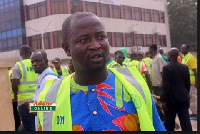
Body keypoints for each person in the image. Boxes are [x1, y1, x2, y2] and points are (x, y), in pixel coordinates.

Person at [37, 12, 165, 131]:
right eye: (84, 40)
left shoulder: (135, 86)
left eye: (100, 37)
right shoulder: (48, 98)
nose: (96, 45)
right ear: (67, 48)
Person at [161, 48, 192, 131]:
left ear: (170, 56)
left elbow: (166, 86)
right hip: (183, 99)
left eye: (167, 54)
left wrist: (164, 101)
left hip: (171, 101)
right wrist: (186, 95)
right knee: (186, 122)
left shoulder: (167, 68)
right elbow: (187, 84)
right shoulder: (184, 67)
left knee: (169, 123)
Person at [31, 49, 59, 130]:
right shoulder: (42, 77)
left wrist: (32, 107)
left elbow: (53, 106)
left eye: (38, 61)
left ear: (46, 61)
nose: (35, 64)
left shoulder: (49, 79)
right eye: (32, 62)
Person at [12, 45, 38, 131]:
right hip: (38, 102)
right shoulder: (36, 64)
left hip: (25, 103)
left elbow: (14, 84)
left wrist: (15, 96)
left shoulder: (18, 66)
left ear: (20, 54)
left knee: (29, 128)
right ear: (31, 53)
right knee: (38, 125)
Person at [181, 44, 197, 120]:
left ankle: (196, 114)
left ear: (187, 49)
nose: (182, 49)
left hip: (192, 82)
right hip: (187, 82)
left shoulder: (190, 58)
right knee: (190, 98)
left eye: (183, 48)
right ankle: (193, 112)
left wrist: (197, 82)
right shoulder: (184, 58)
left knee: (193, 98)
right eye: (181, 48)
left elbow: (195, 71)